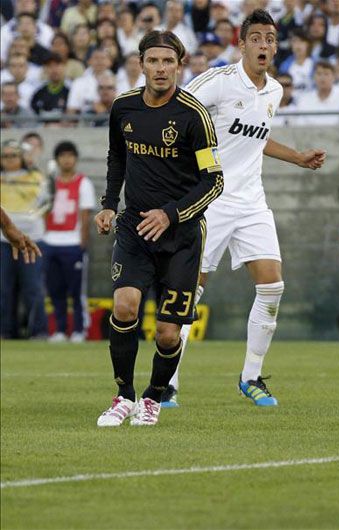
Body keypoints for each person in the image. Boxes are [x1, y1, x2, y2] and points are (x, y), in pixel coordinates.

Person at [160, 9, 326, 408]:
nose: (265, 44)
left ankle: (251, 377)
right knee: (188, 293)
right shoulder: (217, 82)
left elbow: (258, 139)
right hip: (209, 201)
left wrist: (299, 157)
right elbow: (175, 115)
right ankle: (168, 383)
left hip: (252, 202)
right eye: (257, 38)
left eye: (271, 38)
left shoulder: (274, 91)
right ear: (242, 43)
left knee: (272, 287)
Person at [94, 30, 224, 427]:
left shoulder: (193, 115)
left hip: (182, 236)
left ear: (179, 66)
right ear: (141, 64)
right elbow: (117, 158)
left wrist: (170, 213)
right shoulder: (123, 108)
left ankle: (152, 397)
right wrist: (108, 205)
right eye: (153, 61)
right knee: (124, 306)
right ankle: (122, 396)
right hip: (134, 227)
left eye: (168, 62)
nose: (161, 69)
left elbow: (213, 181)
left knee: (168, 335)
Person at [44, 141, 96, 343]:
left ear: (75, 158)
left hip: (72, 242)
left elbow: (85, 215)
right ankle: (59, 329)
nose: (66, 159)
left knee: (76, 291)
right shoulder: (49, 183)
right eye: (62, 156)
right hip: (50, 241)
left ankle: (79, 330)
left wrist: (82, 243)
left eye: (70, 155)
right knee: (55, 289)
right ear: (56, 159)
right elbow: (42, 210)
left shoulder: (84, 183)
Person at [0, 139, 50, 339]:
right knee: (3, 289)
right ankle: (5, 331)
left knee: (33, 287)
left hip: (33, 238)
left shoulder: (36, 177)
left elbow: (42, 205)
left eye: (13, 155)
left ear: (21, 157)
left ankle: (38, 331)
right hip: (3, 241)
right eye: (5, 156)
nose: (9, 160)